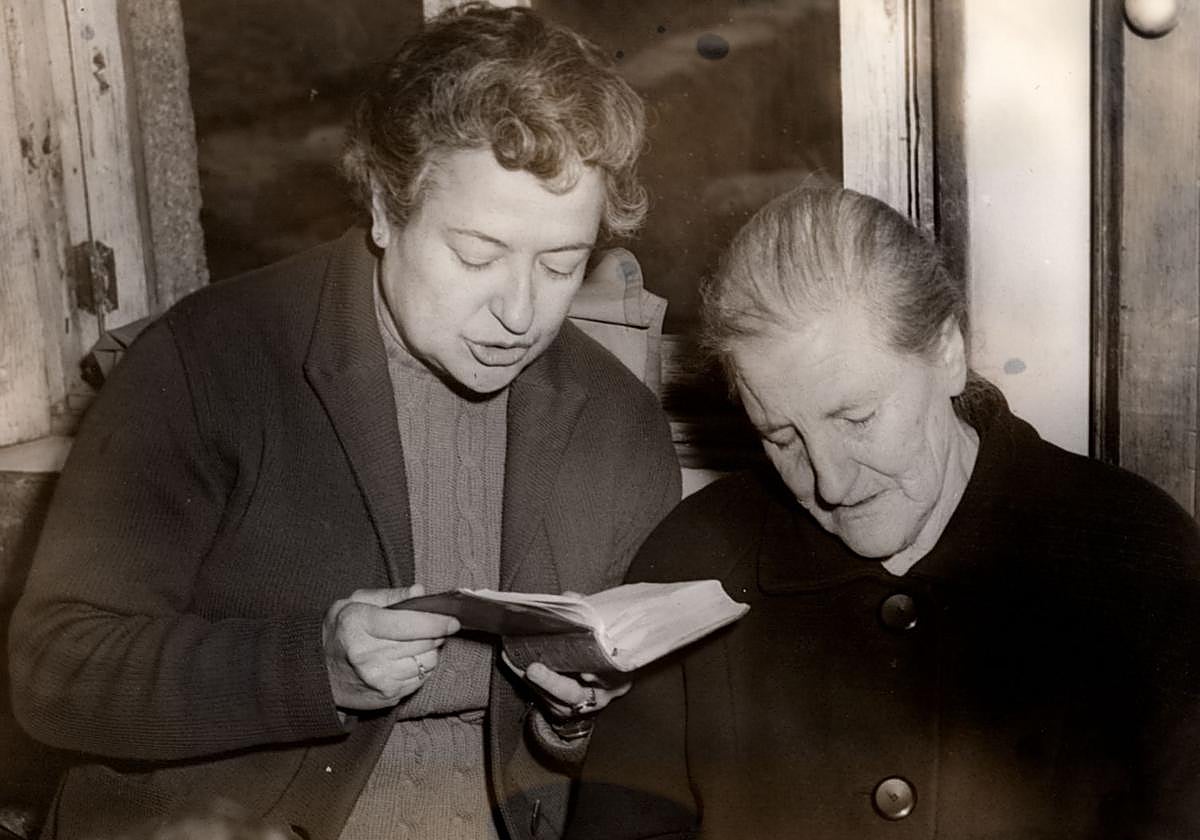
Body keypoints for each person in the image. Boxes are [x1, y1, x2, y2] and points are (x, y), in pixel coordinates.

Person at [8, 5, 681, 839]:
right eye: (476, 255)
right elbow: (55, 671)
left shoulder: (614, 420)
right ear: (383, 208)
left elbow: (657, 739)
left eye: (560, 264)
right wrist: (309, 666)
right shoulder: (213, 359)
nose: (519, 312)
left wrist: (575, 720)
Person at [566, 185, 1200, 839]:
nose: (831, 482)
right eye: (781, 436)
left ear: (948, 353)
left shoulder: (1134, 554)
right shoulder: (693, 562)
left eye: (858, 418)